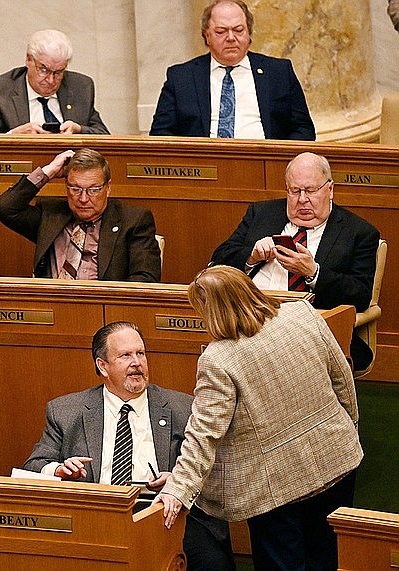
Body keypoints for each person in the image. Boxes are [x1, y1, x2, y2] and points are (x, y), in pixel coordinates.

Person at [155, 265, 362, 570]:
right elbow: (343, 380)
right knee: (327, 558)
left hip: (273, 489)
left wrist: (177, 489)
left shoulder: (218, 359)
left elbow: (203, 435)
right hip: (336, 458)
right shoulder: (302, 314)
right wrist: (348, 429)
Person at [24, 321, 234, 571]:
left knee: (211, 562)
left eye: (141, 353)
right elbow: (34, 466)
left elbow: (216, 470)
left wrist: (179, 479)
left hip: (163, 515)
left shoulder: (182, 407)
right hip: (97, 517)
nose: (136, 362)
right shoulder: (67, 411)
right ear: (103, 366)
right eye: (125, 355)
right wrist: (59, 469)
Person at [210, 151, 379, 367]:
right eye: (294, 191)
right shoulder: (262, 213)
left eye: (310, 190)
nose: (302, 200)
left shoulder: (358, 232)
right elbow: (219, 259)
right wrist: (251, 256)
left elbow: (360, 295)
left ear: (330, 190)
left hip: (311, 329)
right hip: (249, 319)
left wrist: (313, 273)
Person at [149, 0, 315, 140]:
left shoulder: (278, 73)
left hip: (266, 167)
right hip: (204, 168)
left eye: (238, 30)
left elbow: (304, 129)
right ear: (207, 35)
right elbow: (160, 134)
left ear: (249, 33)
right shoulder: (181, 78)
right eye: (221, 31)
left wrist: (277, 159)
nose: (230, 38)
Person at [0, 148, 161, 282]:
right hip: (53, 306)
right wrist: (47, 172)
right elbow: (5, 208)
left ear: (108, 188)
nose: (83, 198)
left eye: (93, 190)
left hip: (105, 313)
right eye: (75, 189)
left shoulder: (133, 220)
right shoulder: (51, 215)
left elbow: (146, 279)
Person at [0, 29, 109, 134]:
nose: (51, 80)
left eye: (58, 72)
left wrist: (79, 130)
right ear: (29, 60)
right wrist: (14, 135)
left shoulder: (81, 86)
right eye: (44, 70)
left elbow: (104, 136)